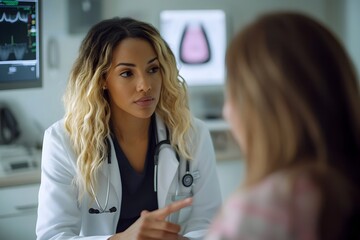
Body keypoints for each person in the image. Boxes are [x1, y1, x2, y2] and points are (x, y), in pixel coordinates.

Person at [36, 17, 222, 240]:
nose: (145, 85)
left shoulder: (192, 134)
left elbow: (209, 223)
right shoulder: (63, 141)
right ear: (102, 79)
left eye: (153, 69)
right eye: (127, 73)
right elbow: (52, 235)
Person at [205, 11, 360, 240]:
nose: (226, 111)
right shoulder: (346, 191)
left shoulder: (263, 210)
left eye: (232, 94)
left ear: (263, 107)